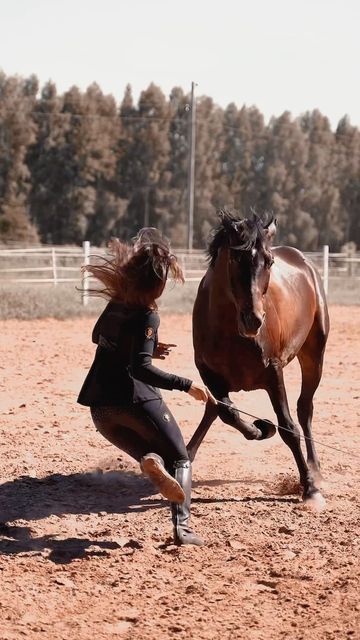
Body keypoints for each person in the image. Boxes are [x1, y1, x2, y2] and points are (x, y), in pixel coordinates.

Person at [78, 228, 214, 546]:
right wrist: (187, 385)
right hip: (133, 400)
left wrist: (148, 346)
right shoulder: (148, 316)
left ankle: (149, 461)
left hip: (100, 410)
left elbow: (98, 336)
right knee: (180, 459)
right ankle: (183, 529)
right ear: (157, 283)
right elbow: (142, 370)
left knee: (150, 456)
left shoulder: (117, 303)